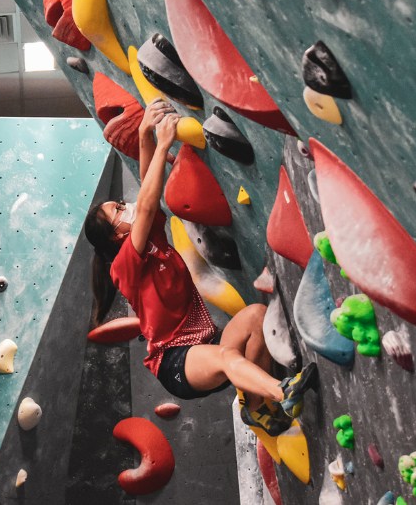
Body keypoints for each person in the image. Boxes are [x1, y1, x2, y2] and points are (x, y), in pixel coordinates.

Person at [84, 98, 317, 436]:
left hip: (204, 339)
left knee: (254, 316)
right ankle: (282, 393)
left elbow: (149, 189)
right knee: (225, 357)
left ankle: (255, 408)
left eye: (120, 202)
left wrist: (146, 132)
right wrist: (163, 143)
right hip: (174, 360)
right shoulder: (124, 266)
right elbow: (147, 205)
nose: (126, 205)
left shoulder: (153, 243)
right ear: (117, 234)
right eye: (118, 209)